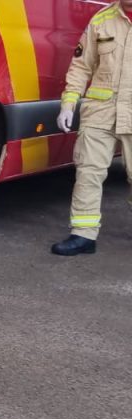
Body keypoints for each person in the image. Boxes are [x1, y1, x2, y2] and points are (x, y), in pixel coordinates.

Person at [52, 0, 132, 256]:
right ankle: (83, 235)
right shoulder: (101, 20)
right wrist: (69, 103)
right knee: (88, 171)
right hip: (101, 111)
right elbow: (82, 65)